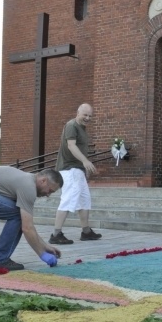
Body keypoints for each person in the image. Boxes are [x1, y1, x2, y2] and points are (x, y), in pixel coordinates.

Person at [50, 103, 102, 244]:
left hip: (77, 170)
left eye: (90, 116)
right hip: (69, 169)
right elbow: (71, 145)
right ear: (78, 112)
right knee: (67, 200)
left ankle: (86, 232)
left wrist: (83, 168)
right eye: (85, 115)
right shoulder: (72, 125)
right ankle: (56, 234)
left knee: (84, 200)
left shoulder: (82, 128)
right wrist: (85, 161)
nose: (87, 118)